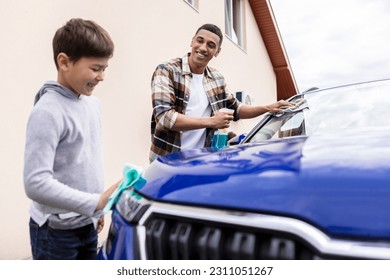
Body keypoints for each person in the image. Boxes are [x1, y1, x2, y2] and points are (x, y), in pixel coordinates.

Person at [23, 18, 120, 260]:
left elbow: (88, 163)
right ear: (64, 62)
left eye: (104, 69)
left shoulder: (93, 104)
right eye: (96, 68)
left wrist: (95, 212)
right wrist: (96, 202)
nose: (101, 77)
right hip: (54, 234)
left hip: (87, 224)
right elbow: (35, 183)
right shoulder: (47, 112)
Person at [149, 23, 294, 162]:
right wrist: (212, 121)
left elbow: (236, 108)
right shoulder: (167, 70)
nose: (203, 48)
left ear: (217, 52)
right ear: (192, 41)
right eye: (200, 41)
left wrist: (268, 108)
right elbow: (164, 117)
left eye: (211, 45)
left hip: (202, 161)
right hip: (168, 161)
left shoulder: (216, 78)